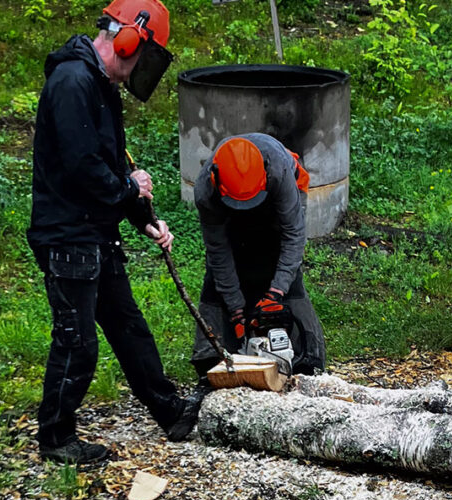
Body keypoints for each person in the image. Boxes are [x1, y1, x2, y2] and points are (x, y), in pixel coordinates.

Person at [28, 0, 196, 464]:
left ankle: (172, 413)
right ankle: (57, 439)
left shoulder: (99, 87)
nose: (142, 66)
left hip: (96, 234)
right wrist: (129, 187)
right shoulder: (72, 82)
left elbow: (111, 170)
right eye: (146, 54)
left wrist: (145, 219)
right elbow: (85, 171)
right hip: (68, 237)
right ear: (128, 39)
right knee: (76, 343)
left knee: (129, 330)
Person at [190, 134, 327, 381]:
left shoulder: (279, 170)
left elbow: (293, 236)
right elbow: (219, 252)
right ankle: (210, 359)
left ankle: (310, 359)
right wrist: (235, 307)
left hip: (278, 200)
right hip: (228, 217)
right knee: (217, 283)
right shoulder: (205, 191)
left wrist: (276, 292)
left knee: (288, 277)